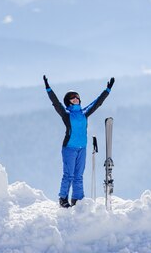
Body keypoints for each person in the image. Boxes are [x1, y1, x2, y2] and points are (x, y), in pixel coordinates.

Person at [43, 75, 115, 208]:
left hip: (82, 148)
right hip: (69, 148)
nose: (76, 98)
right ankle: (63, 198)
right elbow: (56, 103)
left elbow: (97, 103)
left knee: (79, 175)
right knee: (68, 175)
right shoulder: (66, 114)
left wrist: (107, 90)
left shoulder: (84, 112)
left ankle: (77, 199)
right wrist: (48, 88)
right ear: (68, 101)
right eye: (73, 97)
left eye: (77, 96)